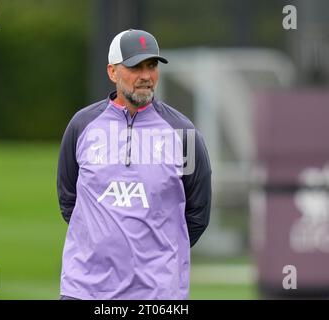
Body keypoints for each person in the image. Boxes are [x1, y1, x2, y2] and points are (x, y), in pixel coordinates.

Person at [57, 29, 212, 300]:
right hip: (85, 290)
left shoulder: (183, 132)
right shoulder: (82, 126)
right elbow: (69, 200)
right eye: (135, 66)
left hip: (157, 294)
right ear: (112, 71)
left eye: (151, 66)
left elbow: (197, 213)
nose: (145, 76)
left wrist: (157, 254)